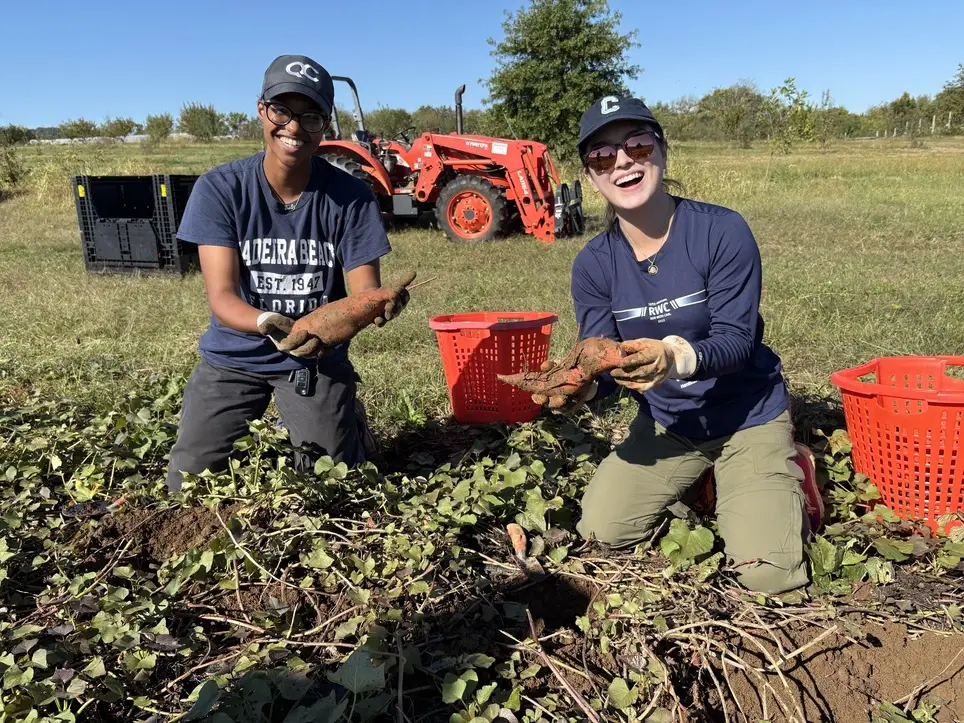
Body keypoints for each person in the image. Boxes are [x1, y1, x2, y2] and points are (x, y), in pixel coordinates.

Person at [535, 94, 820, 594]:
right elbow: (603, 367)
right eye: (602, 156)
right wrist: (580, 391)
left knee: (767, 573)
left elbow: (737, 342)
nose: (621, 161)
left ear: (661, 151)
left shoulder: (720, 231)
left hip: (746, 415)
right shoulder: (594, 265)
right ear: (590, 174)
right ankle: (707, 480)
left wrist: (674, 357)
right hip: (670, 424)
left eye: (637, 146)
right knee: (602, 530)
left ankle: (789, 464)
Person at [164, 54, 407, 493]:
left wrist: (377, 304)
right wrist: (267, 323)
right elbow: (221, 297)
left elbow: (363, 291)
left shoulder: (351, 197)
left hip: (314, 358)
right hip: (234, 355)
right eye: (282, 111)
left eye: (310, 116)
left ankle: (346, 420)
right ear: (262, 110)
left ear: (326, 125)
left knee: (331, 487)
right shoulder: (221, 189)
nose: (294, 127)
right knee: (188, 486)